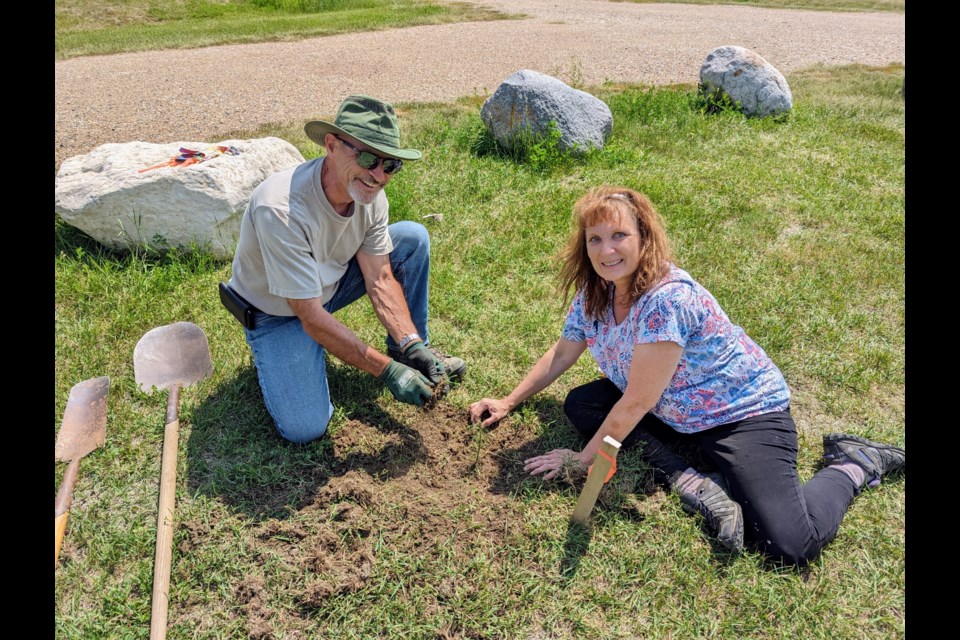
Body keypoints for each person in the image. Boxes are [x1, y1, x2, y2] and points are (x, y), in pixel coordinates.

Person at [468, 185, 904, 565]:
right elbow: (564, 353)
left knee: (788, 543)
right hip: (671, 407)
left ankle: (854, 463)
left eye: (619, 235)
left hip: (740, 415)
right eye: (594, 239)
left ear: (644, 238)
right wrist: (508, 401)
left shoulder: (666, 299)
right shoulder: (596, 291)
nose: (606, 250)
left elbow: (635, 402)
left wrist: (584, 461)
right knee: (583, 403)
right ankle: (692, 481)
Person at [226, 94, 465, 444]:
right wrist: (385, 372)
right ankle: (281, 355)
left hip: (327, 286)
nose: (378, 175)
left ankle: (415, 354)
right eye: (367, 158)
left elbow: (380, 278)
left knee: (412, 239)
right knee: (305, 428)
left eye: (390, 165)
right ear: (332, 144)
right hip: (277, 312)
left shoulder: (370, 195)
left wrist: (409, 343)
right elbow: (308, 315)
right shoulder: (280, 209)